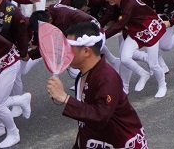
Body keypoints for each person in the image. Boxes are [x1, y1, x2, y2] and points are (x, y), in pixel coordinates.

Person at [45, 21, 148, 149]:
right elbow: (86, 113)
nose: (65, 52)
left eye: (69, 48)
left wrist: (64, 98)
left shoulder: (107, 77)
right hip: (97, 140)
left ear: (86, 52)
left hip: (122, 142)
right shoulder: (83, 75)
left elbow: (101, 115)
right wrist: (80, 138)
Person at [102, 0, 168, 97]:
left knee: (153, 64)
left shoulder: (129, 3)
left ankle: (162, 85)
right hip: (135, 31)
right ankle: (143, 74)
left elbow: (119, 25)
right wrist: (96, 28)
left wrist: (101, 37)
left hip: (150, 30)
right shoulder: (114, 2)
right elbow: (108, 15)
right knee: (124, 58)